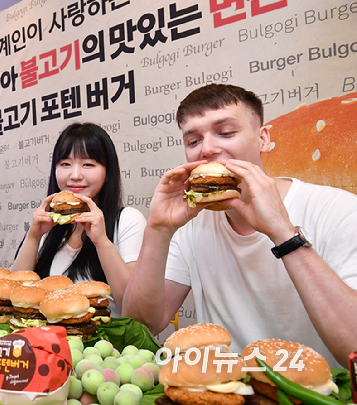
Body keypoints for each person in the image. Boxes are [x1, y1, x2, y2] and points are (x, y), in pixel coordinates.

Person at [122, 84, 357, 368]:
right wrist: (158, 229)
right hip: (227, 390)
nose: (207, 149)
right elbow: (142, 324)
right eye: (193, 141)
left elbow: (353, 347)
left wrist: (282, 231)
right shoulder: (192, 223)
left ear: (263, 139)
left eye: (226, 133)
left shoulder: (338, 210)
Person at [11, 122, 146, 317]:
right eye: (65, 164)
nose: (74, 175)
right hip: (46, 341)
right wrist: (33, 237)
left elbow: (133, 306)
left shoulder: (128, 221)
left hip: (103, 344)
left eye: (88, 164)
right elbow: (15, 296)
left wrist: (102, 242)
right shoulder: (47, 224)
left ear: (108, 172)